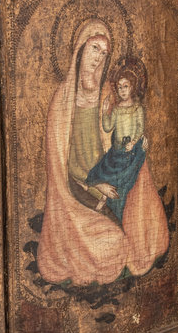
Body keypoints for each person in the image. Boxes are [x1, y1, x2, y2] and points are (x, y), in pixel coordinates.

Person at [38, 19, 168, 286]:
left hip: (111, 176)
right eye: (94, 48)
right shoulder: (62, 101)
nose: (98, 58)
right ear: (80, 50)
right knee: (111, 245)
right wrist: (95, 185)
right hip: (78, 190)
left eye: (104, 53)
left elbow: (117, 142)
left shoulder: (108, 95)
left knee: (141, 235)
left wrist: (135, 150)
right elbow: (60, 170)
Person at [87, 60, 148, 223]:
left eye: (125, 86)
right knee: (101, 171)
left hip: (131, 152)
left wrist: (133, 142)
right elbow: (107, 127)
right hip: (116, 152)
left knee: (123, 178)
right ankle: (104, 195)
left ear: (132, 87)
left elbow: (140, 128)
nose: (122, 90)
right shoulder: (117, 109)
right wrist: (104, 111)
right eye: (120, 87)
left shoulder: (137, 109)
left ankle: (110, 204)